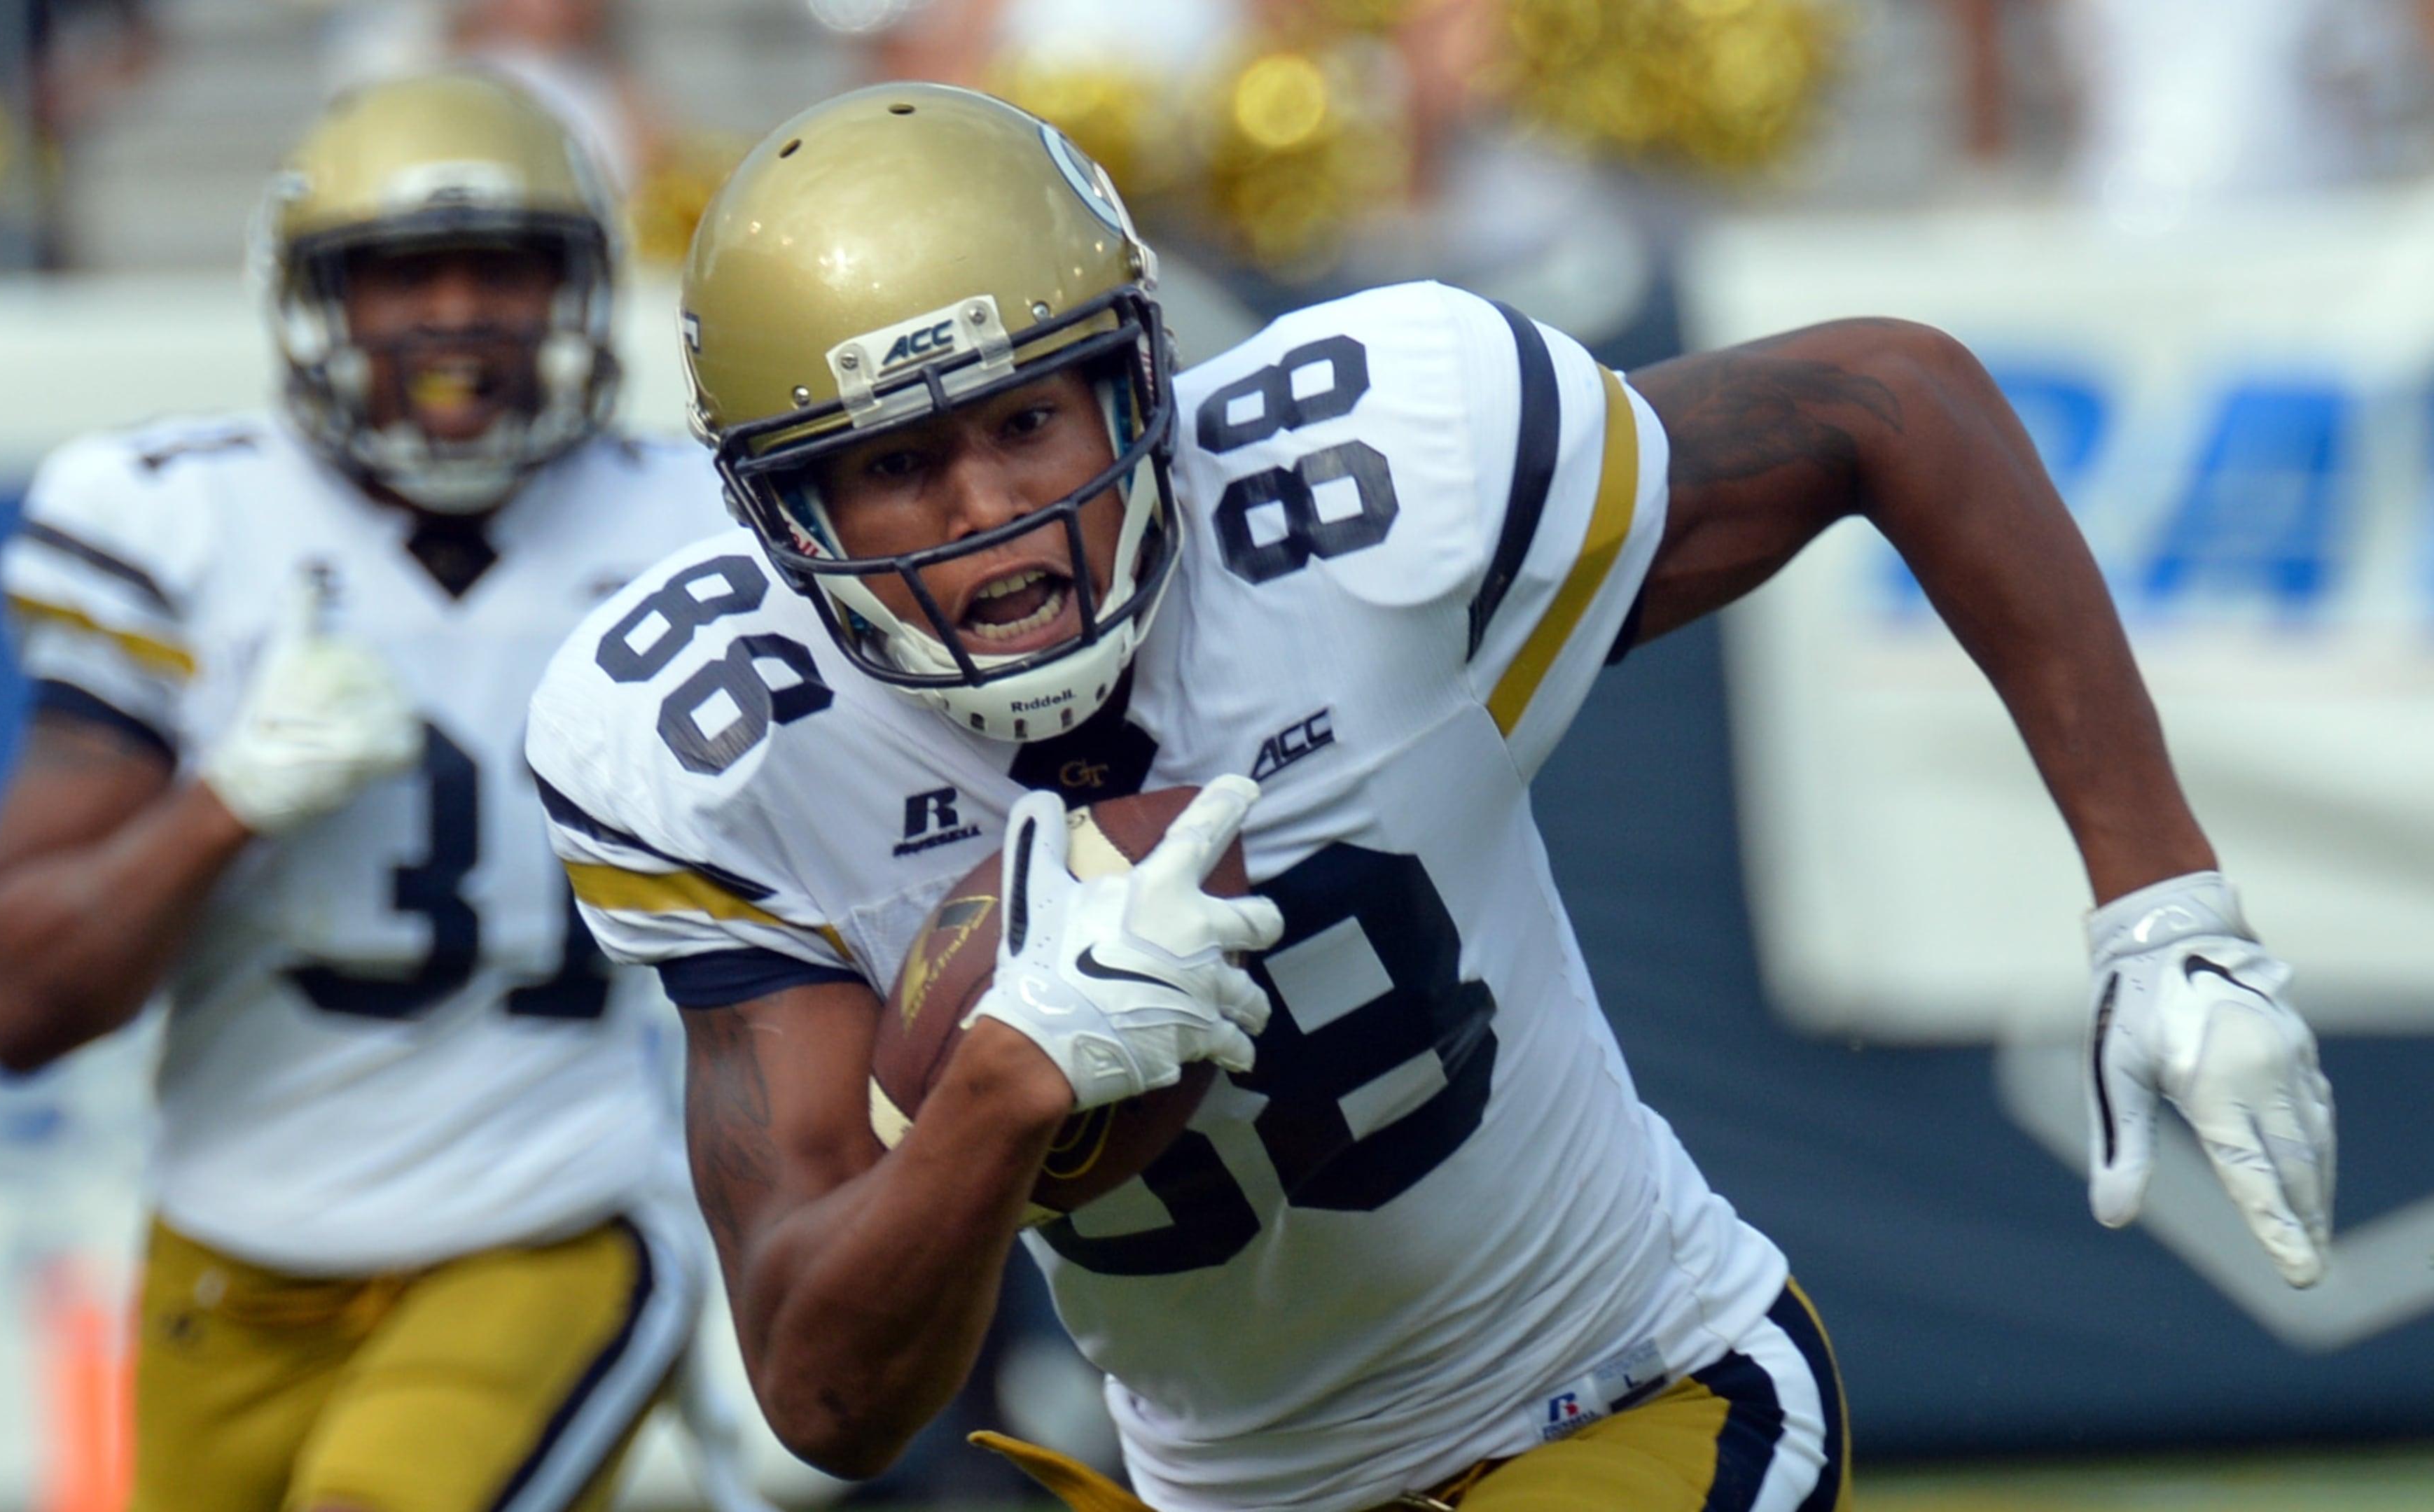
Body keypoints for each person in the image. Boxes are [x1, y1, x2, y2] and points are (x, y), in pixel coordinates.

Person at [524, 83, 2337, 1512]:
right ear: (780, 522)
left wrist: (2164, 901)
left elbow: (1891, 397)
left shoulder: (1367, 484)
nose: (986, 511)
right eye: (894, 466)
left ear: (1143, 386)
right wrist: (1010, 1087)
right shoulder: (717, 744)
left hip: (1638, 1384)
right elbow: (827, 1402)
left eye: (1029, 420)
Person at [0, 71, 746, 1512]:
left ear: (575, 289)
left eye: (502, 266)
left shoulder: (696, 531)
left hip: (548, 1216)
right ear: (315, 299)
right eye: (401, 273)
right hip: (228, 1256)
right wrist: (225, 801)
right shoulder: (179, 524)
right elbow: (19, 1006)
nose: (455, 316)